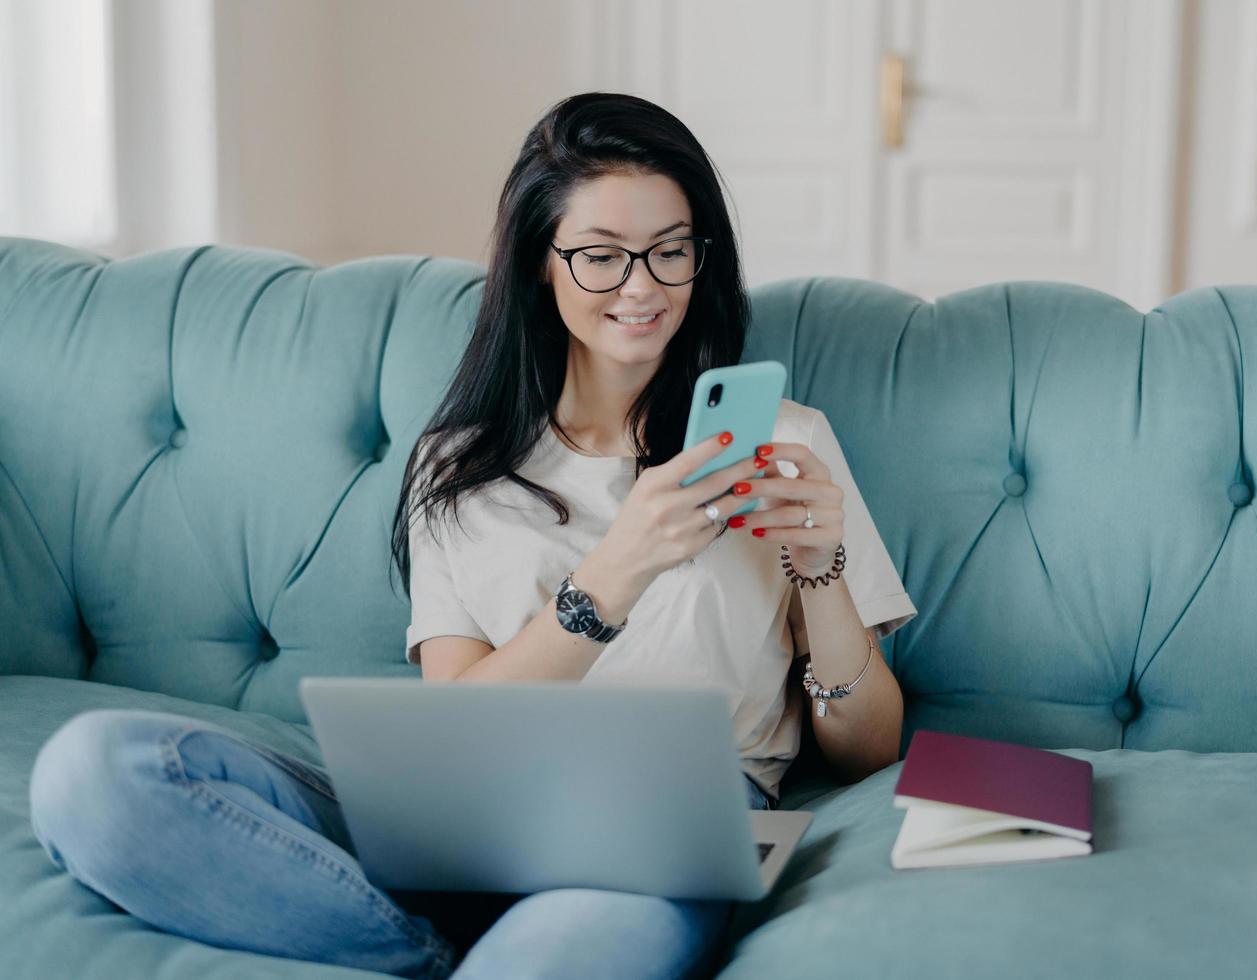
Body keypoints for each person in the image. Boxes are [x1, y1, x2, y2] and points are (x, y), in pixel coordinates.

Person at [28, 92, 917, 980]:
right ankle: (419, 952)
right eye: (602, 257)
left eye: (670, 251)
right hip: (472, 815)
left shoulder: (785, 443)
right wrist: (614, 574)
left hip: (661, 827)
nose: (642, 286)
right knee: (95, 774)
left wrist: (819, 571)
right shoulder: (460, 468)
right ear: (541, 261)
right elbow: (461, 724)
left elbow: (869, 750)